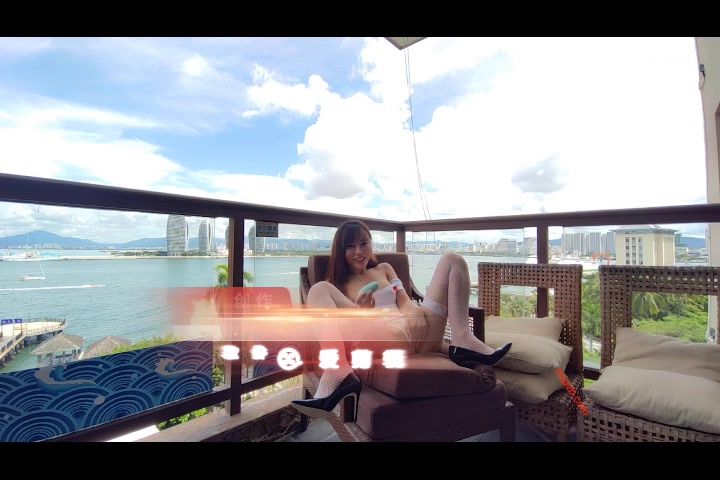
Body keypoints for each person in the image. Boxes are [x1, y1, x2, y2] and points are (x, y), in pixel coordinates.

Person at [290, 219, 511, 420]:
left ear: (371, 243)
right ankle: (337, 371)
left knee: (452, 260)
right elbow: (340, 331)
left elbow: (404, 300)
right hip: (381, 337)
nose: (359, 251)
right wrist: (362, 313)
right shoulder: (336, 286)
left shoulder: (384, 269)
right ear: (340, 251)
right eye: (350, 246)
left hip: (421, 335)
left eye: (364, 243)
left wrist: (415, 313)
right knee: (318, 289)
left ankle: (463, 338)